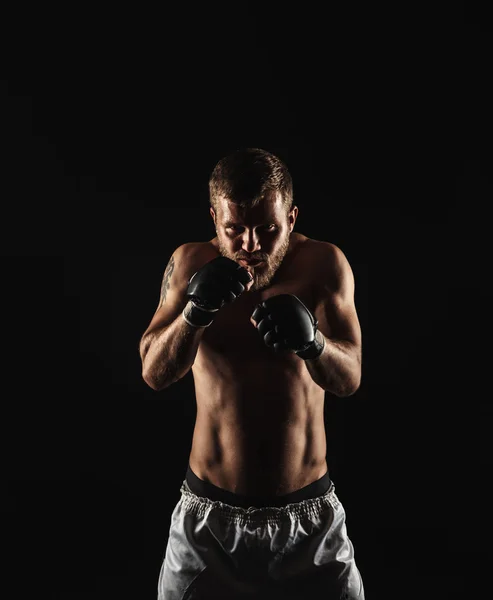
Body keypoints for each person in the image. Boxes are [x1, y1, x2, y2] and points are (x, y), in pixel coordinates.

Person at [139, 147, 365, 599]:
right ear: (213, 219)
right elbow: (154, 372)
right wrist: (194, 313)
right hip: (208, 525)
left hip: (310, 523)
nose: (251, 245)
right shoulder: (187, 265)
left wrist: (313, 343)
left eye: (268, 230)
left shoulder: (325, 266)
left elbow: (350, 377)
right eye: (234, 230)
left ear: (293, 217)